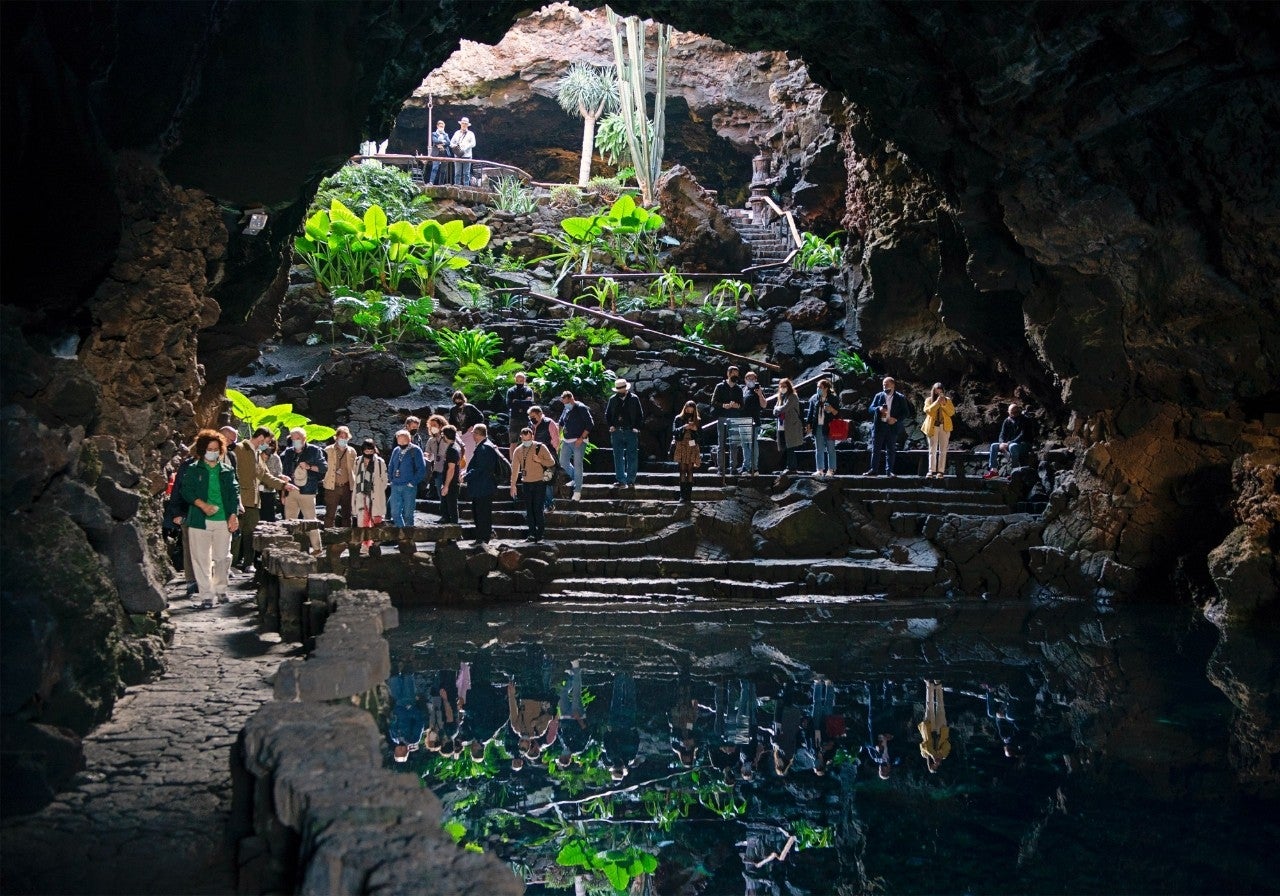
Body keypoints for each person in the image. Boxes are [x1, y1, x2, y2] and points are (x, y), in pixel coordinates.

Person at [180, 430, 241, 609]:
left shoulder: (227, 471)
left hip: (223, 519)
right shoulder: (193, 469)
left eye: (216, 449)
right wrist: (202, 505)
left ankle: (221, 589)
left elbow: (233, 493)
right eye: (209, 449)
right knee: (201, 559)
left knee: (223, 557)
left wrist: (233, 514)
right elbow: (186, 491)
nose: (213, 452)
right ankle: (206, 594)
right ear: (202, 450)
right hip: (199, 520)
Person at [222, 425, 290, 573]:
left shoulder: (258, 454)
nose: (268, 444)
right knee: (235, 533)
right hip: (240, 498)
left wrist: (284, 485)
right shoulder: (239, 449)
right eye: (267, 441)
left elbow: (265, 476)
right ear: (260, 438)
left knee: (251, 533)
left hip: (254, 500)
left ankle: (249, 562)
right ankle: (231, 564)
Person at [279, 427, 327, 555]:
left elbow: (323, 468)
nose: (295, 441)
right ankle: (289, 548)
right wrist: (283, 492)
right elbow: (282, 473)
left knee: (310, 519)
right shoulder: (288, 453)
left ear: (304, 439)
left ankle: (317, 548)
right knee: (289, 521)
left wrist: (309, 467)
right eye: (293, 439)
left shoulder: (314, 450)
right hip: (290, 490)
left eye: (298, 438)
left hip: (308, 491)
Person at [510, 426, 556, 542]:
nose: (526, 442)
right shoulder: (518, 450)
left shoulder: (540, 447)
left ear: (532, 437)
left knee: (538, 508)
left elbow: (551, 462)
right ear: (521, 438)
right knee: (529, 510)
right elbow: (515, 468)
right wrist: (513, 485)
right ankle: (531, 533)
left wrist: (539, 460)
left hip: (540, 482)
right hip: (526, 482)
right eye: (524, 440)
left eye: (528, 439)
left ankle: (540, 534)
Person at [463, 423, 504, 544]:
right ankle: (481, 537)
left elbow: (481, 468)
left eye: (474, 433)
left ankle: (482, 538)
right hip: (483, 485)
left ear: (477, 434)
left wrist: (466, 476)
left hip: (483, 486)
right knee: (479, 512)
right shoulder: (486, 445)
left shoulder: (484, 448)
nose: (472, 435)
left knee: (482, 513)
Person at [864, 376, 909, 477]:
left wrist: (896, 419)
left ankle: (889, 471)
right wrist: (878, 409)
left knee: (891, 449)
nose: (885, 387)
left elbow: (905, 412)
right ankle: (873, 470)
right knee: (876, 449)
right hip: (879, 426)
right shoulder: (879, 396)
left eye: (887, 385)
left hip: (892, 427)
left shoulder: (900, 397)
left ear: (893, 385)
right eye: (883, 385)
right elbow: (870, 408)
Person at [605, 377, 644, 490]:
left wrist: (636, 427)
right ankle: (621, 480)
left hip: (630, 430)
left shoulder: (634, 398)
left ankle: (630, 480)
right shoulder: (613, 399)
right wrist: (611, 426)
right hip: (616, 430)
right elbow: (607, 414)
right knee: (618, 456)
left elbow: (639, 414)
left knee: (632, 456)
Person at [711, 366, 751, 475]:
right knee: (721, 444)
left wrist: (737, 406)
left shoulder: (738, 389)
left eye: (737, 374)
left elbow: (742, 405)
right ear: (728, 374)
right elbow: (713, 402)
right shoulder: (720, 387)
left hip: (734, 417)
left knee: (734, 444)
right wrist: (724, 405)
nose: (736, 376)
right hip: (722, 416)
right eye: (734, 374)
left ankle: (733, 468)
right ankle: (721, 469)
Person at [351, 438, 388, 553]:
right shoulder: (357, 461)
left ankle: (375, 545)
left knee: (376, 520)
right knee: (363, 521)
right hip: (361, 494)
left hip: (375, 494)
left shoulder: (380, 462)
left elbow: (384, 479)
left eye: (370, 451)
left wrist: (377, 490)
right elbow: (355, 476)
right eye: (366, 451)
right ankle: (365, 545)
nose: (368, 453)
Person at [557, 391, 593, 502]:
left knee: (578, 464)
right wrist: (559, 437)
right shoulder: (566, 408)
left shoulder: (581, 408)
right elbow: (561, 423)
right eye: (563, 403)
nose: (565, 404)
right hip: (567, 440)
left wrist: (581, 438)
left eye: (566, 402)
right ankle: (575, 478)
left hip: (579, 441)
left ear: (571, 399)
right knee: (563, 462)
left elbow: (590, 424)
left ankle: (577, 491)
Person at [387, 428, 426, 529]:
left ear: (409, 440)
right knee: (395, 513)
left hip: (409, 486)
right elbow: (391, 465)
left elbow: (421, 469)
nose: (401, 443)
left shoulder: (416, 450)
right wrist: (391, 479)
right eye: (399, 441)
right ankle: (403, 536)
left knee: (408, 514)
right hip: (396, 485)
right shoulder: (396, 450)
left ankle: (408, 540)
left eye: (404, 441)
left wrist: (413, 482)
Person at [321, 425, 356, 528]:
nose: (343, 439)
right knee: (330, 514)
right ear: (336, 437)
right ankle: (329, 536)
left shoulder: (352, 451)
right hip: (332, 487)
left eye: (345, 437)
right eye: (341, 436)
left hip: (347, 487)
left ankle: (346, 537)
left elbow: (355, 469)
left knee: (347, 514)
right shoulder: (328, 450)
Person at [985, 401, 1031, 479]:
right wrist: (1002, 443)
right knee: (994, 446)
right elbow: (1002, 434)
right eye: (1012, 413)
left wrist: (1009, 443)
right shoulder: (1007, 421)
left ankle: (1014, 472)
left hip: (1023, 443)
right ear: (1009, 412)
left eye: (1016, 412)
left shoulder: (1025, 420)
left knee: (1012, 446)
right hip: (1008, 443)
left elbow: (1022, 435)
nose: (1014, 414)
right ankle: (994, 471)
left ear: (1018, 411)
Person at [806, 379, 840, 479]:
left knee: (831, 448)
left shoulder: (833, 398)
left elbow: (837, 414)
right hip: (818, 426)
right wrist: (809, 425)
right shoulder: (814, 398)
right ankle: (819, 469)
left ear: (826, 388)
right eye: (817, 387)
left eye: (820, 387)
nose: (818, 389)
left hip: (829, 426)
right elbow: (810, 413)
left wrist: (831, 409)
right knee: (819, 448)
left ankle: (831, 469)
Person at [528, 406, 560, 512]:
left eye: (533, 416)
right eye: (530, 417)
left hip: (548, 456)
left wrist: (552, 455)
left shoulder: (549, 423)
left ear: (540, 414)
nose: (532, 418)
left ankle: (550, 504)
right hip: (535, 457)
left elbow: (555, 440)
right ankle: (542, 504)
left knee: (547, 480)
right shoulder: (531, 426)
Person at [921, 382, 955, 479]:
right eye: (937, 389)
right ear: (934, 390)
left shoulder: (947, 400)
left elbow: (951, 412)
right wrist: (936, 403)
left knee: (943, 450)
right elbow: (928, 411)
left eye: (940, 389)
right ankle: (931, 471)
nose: (939, 391)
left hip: (944, 427)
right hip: (932, 427)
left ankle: (941, 471)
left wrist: (944, 404)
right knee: (932, 450)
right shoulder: (929, 400)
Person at [772, 378, 804, 475]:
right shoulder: (780, 397)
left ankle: (792, 467)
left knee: (790, 447)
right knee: (785, 447)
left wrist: (777, 408)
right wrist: (777, 409)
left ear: (789, 386)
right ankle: (788, 466)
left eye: (784, 386)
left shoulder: (793, 396)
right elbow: (774, 411)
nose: (782, 388)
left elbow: (785, 408)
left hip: (791, 425)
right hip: (782, 425)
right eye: (781, 386)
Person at [918, 679, 950, 773]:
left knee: (929, 706)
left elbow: (925, 745)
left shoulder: (924, 754)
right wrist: (939, 754)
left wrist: (932, 755)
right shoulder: (944, 755)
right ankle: (938, 685)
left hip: (928, 729)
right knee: (940, 707)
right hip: (941, 731)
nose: (934, 763)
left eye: (932, 765)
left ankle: (929, 685)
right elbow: (947, 745)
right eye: (936, 766)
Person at [672, 401, 702, 503]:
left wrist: (694, 429)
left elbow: (701, 436)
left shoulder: (697, 420)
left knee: (690, 469)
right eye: (687, 409)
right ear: (684, 408)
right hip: (681, 444)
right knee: (682, 469)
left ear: (694, 410)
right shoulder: (678, 418)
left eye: (691, 409)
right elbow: (674, 431)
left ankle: (688, 496)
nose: (689, 411)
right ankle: (682, 496)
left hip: (692, 444)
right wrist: (684, 428)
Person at [740, 371, 767, 475]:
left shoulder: (758, 390)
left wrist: (760, 394)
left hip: (754, 421)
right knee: (745, 446)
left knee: (753, 445)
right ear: (745, 379)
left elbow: (764, 405)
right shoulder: (743, 390)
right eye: (748, 378)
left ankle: (754, 468)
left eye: (753, 378)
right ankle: (746, 467)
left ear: (756, 379)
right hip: (742, 421)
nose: (750, 380)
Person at [448, 390, 485, 460]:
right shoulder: (453, 410)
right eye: (456, 399)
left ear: (463, 399)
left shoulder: (470, 407)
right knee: (459, 453)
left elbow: (480, 417)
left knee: (469, 452)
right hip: (458, 434)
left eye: (459, 399)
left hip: (469, 433)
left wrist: (473, 427)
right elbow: (451, 421)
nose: (458, 401)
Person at [506, 372, 535, 450]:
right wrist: (523, 402)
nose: (519, 382)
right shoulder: (511, 391)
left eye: (521, 380)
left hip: (525, 418)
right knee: (513, 442)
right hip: (514, 418)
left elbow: (530, 403)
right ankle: (512, 461)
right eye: (517, 380)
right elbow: (509, 405)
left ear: (524, 380)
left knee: (527, 440)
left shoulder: (528, 390)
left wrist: (516, 401)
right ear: (515, 380)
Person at [439, 425, 462, 524]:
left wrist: (446, 486)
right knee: (448, 506)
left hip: (452, 483)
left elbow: (451, 469)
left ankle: (454, 529)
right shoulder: (455, 446)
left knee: (451, 507)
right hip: (452, 481)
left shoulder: (452, 449)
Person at [259, 436, 284, 522]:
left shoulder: (275, 458)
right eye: (269, 444)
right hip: (257, 491)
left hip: (269, 491)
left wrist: (281, 478)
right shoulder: (257, 456)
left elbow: (278, 472)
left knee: (269, 516)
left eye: (272, 445)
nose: (270, 447)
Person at [450, 117, 476, 186]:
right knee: (457, 172)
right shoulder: (457, 133)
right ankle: (456, 186)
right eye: (463, 123)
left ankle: (466, 187)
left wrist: (466, 147)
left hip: (467, 156)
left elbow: (473, 143)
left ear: (468, 125)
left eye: (465, 124)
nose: (464, 125)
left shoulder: (471, 134)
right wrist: (456, 147)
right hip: (458, 155)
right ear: (460, 124)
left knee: (466, 173)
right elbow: (451, 143)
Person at [428, 119, 451, 185]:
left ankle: (441, 184)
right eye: (440, 126)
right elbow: (435, 141)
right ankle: (431, 182)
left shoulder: (446, 135)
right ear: (437, 126)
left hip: (444, 153)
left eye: (442, 127)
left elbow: (449, 142)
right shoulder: (434, 134)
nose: (441, 128)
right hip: (436, 154)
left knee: (443, 170)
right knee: (435, 168)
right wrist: (443, 142)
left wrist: (441, 144)